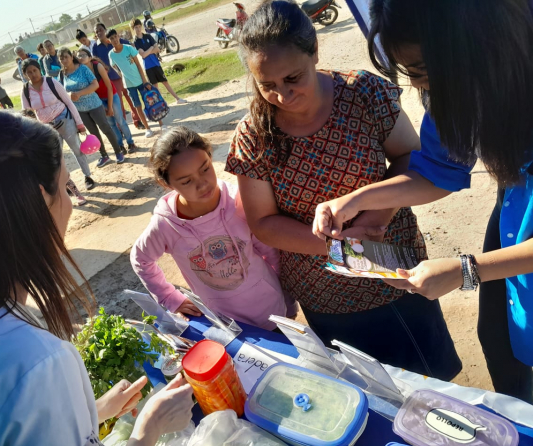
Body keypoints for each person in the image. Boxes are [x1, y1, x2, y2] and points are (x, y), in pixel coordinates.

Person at [225, 0, 461, 380]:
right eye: (267, 85)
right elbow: (264, 223)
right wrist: (340, 246)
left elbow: (409, 158)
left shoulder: (362, 93)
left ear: (314, 50)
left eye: (293, 78)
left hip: (394, 268)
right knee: (368, 396)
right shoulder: (254, 134)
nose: (283, 96)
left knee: (433, 384)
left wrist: (373, 222)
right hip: (325, 292)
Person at [312, 0, 533, 403]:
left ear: (477, 43)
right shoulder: (460, 87)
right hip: (519, 210)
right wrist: (354, 200)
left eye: (423, 71)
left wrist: (467, 270)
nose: (418, 87)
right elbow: (436, 170)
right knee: (501, 342)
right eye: (409, 73)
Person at [0, 108, 194, 446]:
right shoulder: (37, 361)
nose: (70, 205)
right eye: (66, 186)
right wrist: (150, 427)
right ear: (40, 200)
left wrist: (89, 413)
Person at [132, 126, 298, 329]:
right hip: (227, 325)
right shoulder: (166, 225)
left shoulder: (239, 201)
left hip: (272, 310)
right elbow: (141, 259)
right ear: (166, 183)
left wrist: (288, 300)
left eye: (205, 169)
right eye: (186, 181)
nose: (203, 184)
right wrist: (170, 298)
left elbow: (270, 251)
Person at [20, 58, 96, 191]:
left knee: (77, 149)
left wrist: (79, 123)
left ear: (39, 70)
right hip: (47, 128)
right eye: (29, 72)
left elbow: (69, 102)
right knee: (56, 157)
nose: (33, 74)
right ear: (25, 75)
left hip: (65, 119)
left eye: (35, 70)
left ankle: (87, 177)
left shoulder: (51, 82)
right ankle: (67, 184)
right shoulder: (26, 90)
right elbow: (26, 114)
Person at [59, 47, 125, 167]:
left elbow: (95, 85)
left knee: (106, 128)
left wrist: (79, 93)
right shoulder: (62, 74)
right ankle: (104, 155)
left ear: (71, 57)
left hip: (94, 105)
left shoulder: (83, 68)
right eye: (61, 58)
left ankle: (118, 152)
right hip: (80, 110)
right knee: (93, 133)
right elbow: (62, 91)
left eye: (66, 57)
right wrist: (69, 95)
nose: (64, 60)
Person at [77, 48, 137, 154]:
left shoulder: (97, 66)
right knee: (111, 124)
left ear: (90, 57)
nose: (80, 57)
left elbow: (109, 87)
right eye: (78, 56)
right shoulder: (81, 71)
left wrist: (109, 107)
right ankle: (120, 146)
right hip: (99, 99)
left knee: (120, 120)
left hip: (111, 95)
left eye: (83, 55)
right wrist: (102, 105)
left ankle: (130, 143)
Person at [90, 22, 143, 129]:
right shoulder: (95, 46)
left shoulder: (114, 40)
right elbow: (94, 61)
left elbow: (128, 45)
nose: (99, 32)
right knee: (118, 104)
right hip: (110, 79)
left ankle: (138, 121)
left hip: (125, 77)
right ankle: (122, 127)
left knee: (131, 99)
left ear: (105, 29)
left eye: (101, 29)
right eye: (97, 31)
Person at [108, 29, 159, 138]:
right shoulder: (111, 54)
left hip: (140, 81)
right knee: (137, 106)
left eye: (115, 37)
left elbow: (139, 65)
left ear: (118, 36)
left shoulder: (128, 48)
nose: (114, 40)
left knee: (150, 101)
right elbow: (114, 66)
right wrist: (121, 75)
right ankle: (147, 128)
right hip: (129, 85)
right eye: (111, 38)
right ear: (109, 41)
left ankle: (161, 124)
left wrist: (145, 81)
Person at [131, 19, 187, 105]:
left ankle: (177, 99)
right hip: (148, 66)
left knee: (165, 81)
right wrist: (150, 48)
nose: (138, 29)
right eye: (136, 27)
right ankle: (162, 103)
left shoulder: (148, 36)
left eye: (139, 27)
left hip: (155, 63)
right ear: (133, 29)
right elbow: (143, 55)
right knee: (155, 86)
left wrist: (148, 51)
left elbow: (157, 49)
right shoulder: (136, 41)